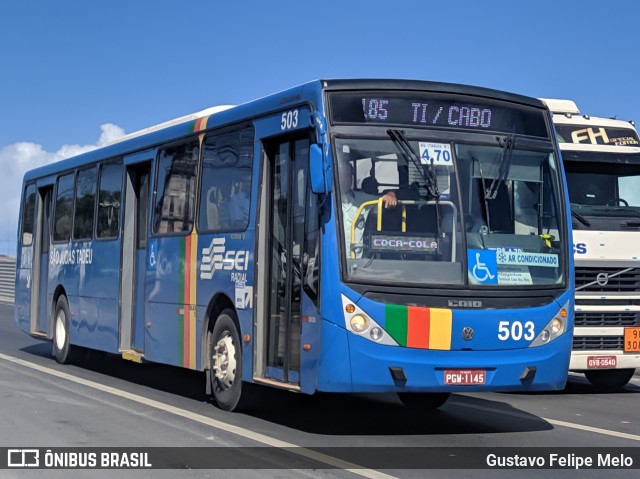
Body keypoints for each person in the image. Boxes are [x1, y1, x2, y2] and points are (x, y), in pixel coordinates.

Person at [340, 162, 397, 258]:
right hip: (334, 261)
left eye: (348, 175)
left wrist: (391, 194)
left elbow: (383, 199)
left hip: (356, 262)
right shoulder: (325, 199)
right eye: (341, 174)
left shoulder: (362, 199)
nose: (345, 179)